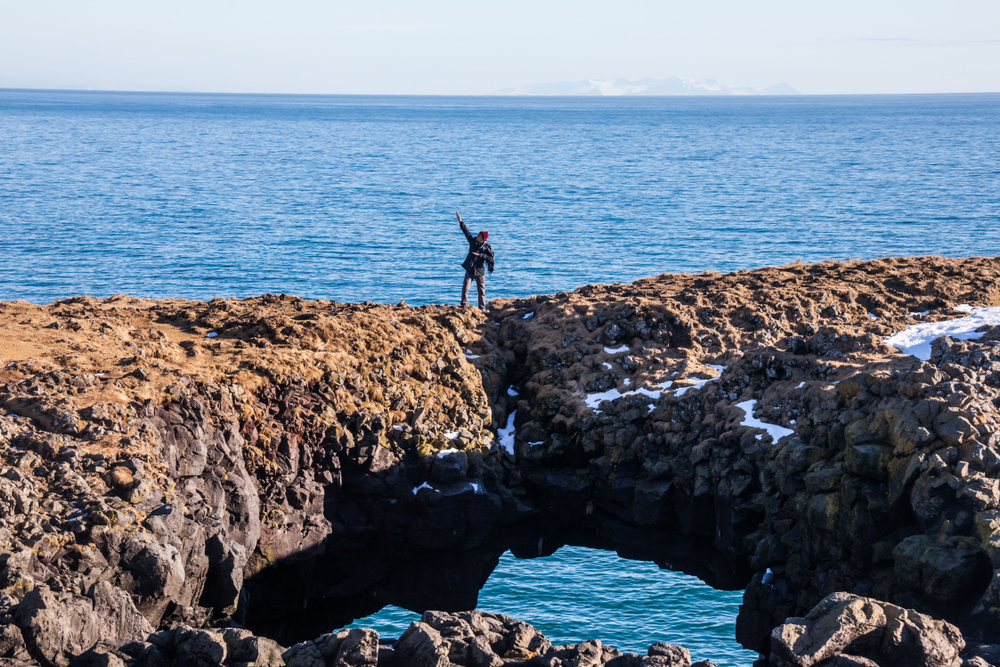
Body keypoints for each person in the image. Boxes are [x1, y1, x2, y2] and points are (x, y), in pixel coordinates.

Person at [455, 212, 494, 312]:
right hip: (470, 268)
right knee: (465, 288)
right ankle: (463, 305)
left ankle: (482, 308)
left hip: (480, 271)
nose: (477, 236)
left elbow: (490, 259)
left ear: (483, 239)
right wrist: (460, 221)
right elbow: (466, 232)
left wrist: (480, 255)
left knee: (481, 290)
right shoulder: (473, 242)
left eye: (479, 235)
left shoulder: (487, 248)